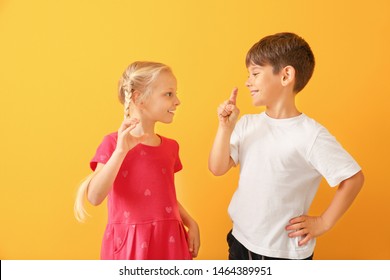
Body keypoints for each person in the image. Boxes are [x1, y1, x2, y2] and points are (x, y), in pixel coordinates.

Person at [208, 32, 364, 260]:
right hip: (240, 240)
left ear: (286, 75)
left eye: (255, 73)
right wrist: (225, 128)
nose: (247, 81)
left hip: (283, 254)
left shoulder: (311, 135)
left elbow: (353, 178)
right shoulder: (247, 124)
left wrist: (324, 222)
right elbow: (217, 168)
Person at [74, 61, 200, 260]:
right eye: (169, 94)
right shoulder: (113, 143)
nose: (177, 101)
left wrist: (190, 221)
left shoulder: (170, 147)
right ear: (138, 98)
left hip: (170, 241)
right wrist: (120, 151)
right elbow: (95, 197)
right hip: (130, 245)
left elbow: (162, 198)